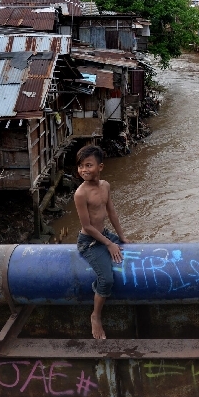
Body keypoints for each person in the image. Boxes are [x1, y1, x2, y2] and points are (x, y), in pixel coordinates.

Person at [73, 145, 129, 339]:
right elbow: (87, 227)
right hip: (89, 242)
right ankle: (95, 316)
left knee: (128, 248)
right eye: (81, 166)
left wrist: (121, 238)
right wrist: (109, 244)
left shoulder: (105, 185)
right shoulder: (81, 194)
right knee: (106, 279)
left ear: (101, 167)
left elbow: (111, 212)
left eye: (89, 165)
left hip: (103, 233)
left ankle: (116, 242)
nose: (84, 170)